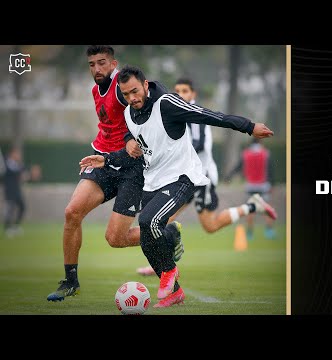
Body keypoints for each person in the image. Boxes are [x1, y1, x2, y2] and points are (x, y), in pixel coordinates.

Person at [79, 65, 274, 307]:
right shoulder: (129, 114)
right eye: (126, 94)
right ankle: (176, 291)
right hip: (152, 182)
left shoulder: (168, 104)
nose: (132, 98)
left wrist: (248, 126)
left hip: (182, 177)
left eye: (135, 91)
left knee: (149, 221)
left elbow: (210, 115)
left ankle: (170, 270)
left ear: (146, 85)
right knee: (148, 236)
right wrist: (106, 159)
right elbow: (135, 149)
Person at [46, 46, 183, 302]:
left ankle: (167, 234)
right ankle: (70, 281)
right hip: (103, 161)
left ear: (113, 63)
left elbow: (154, 90)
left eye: (102, 63)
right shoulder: (94, 89)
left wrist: (137, 137)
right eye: (91, 64)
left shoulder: (123, 87)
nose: (97, 69)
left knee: (116, 239)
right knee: (71, 212)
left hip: (132, 169)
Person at [135, 77, 277, 276]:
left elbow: (199, 143)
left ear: (193, 94)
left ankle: (252, 206)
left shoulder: (190, 112)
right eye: (177, 90)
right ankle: (162, 264)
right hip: (182, 177)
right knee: (160, 219)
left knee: (210, 226)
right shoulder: (171, 108)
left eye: (185, 91)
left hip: (201, 177)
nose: (180, 94)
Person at [227, 138, 276, 240]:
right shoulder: (265, 153)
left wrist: (229, 176)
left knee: (250, 209)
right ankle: (269, 231)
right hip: (263, 186)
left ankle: (249, 233)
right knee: (267, 208)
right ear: (260, 142)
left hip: (250, 186)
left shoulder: (246, 154)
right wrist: (272, 184)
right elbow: (270, 169)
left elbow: (238, 167)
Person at [2, 147, 41, 238]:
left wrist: (32, 175)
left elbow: (23, 175)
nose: (18, 156)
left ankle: (15, 226)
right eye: (17, 154)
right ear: (12, 154)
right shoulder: (6, 164)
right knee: (10, 209)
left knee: (22, 207)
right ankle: (7, 228)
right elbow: (14, 173)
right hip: (9, 190)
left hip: (17, 190)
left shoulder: (19, 165)